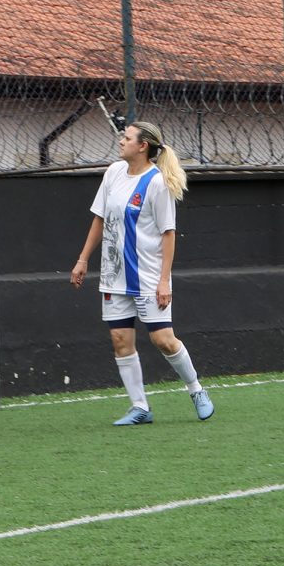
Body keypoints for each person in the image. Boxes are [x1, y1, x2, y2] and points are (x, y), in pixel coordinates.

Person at [71, 119, 214, 426]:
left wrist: (164, 280)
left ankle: (196, 389)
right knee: (120, 339)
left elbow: (168, 233)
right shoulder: (113, 173)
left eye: (127, 138)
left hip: (149, 277)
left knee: (164, 340)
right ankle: (140, 408)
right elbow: (99, 218)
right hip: (113, 275)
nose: (121, 141)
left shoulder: (157, 183)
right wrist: (83, 259)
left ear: (142, 146)